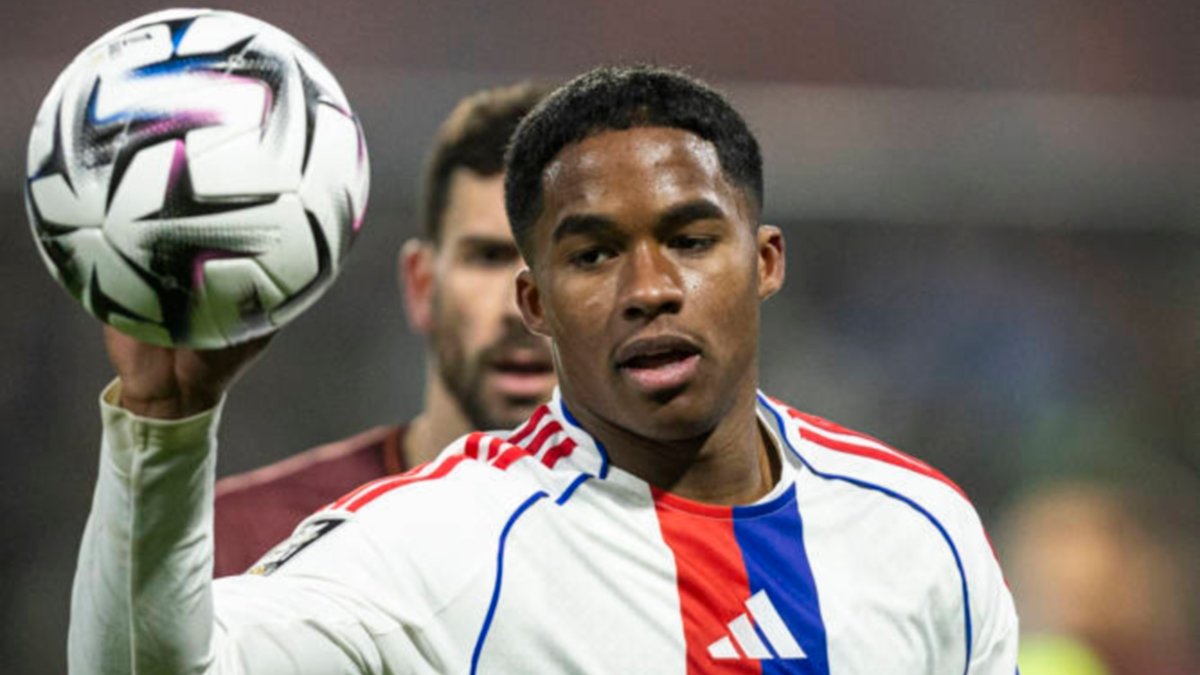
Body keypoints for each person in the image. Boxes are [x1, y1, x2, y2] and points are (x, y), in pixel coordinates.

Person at [70, 65, 1018, 673]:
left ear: (764, 262)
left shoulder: (920, 532)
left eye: (691, 240)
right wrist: (162, 422)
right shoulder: (442, 544)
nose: (650, 289)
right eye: (593, 254)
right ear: (536, 304)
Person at [211, 83, 556, 576]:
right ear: (421, 285)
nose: (518, 308)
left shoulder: (659, 549)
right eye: (487, 257)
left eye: (563, 259)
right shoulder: (245, 540)